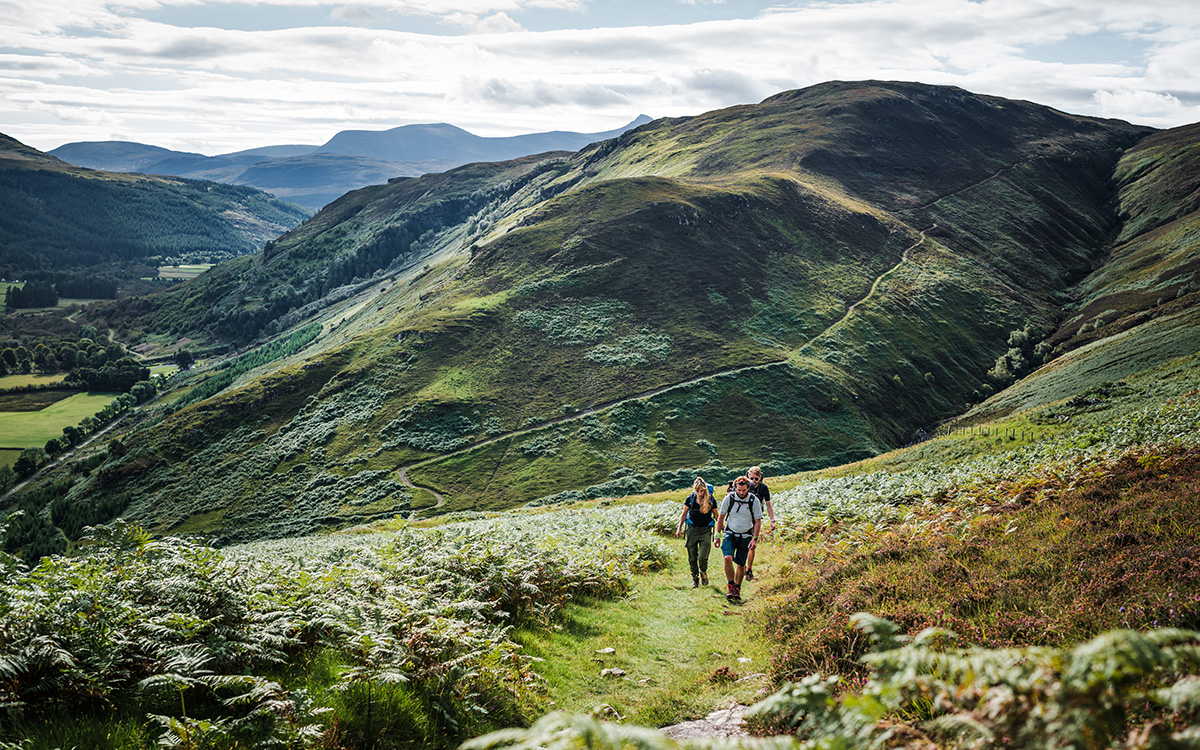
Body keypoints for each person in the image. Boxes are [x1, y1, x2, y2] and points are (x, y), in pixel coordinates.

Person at [713, 476, 763, 602]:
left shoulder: (754, 500)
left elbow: (757, 522)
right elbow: (721, 518)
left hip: (746, 535)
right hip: (730, 533)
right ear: (735, 488)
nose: (741, 492)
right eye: (739, 490)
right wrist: (717, 535)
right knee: (727, 558)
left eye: (744, 490)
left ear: (748, 489)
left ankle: (737, 589)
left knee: (741, 564)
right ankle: (731, 586)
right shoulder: (728, 499)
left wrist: (755, 539)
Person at [675, 477, 716, 588]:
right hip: (692, 530)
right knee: (692, 557)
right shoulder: (690, 499)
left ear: (705, 489)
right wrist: (679, 528)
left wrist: (720, 532)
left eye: (702, 490)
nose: (700, 493)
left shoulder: (711, 500)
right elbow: (684, 514)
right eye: (697, 491)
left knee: (703, 556)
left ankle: (703, 572)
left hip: (705, 531)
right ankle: (695, 579)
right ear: (694, 490)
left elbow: (717, 516)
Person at [743, 466, 775, 580]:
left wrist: (772, 521)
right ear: (748, 476)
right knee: (741, 544)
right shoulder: (743, 486)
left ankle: (749, 570)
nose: (754, 481)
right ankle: (742, 566)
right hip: (743, 517)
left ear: (760, 477)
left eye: (756, 479)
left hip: (756, 518)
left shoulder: (763, 488)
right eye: (751, 478)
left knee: (752, 545)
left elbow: (768, 505)